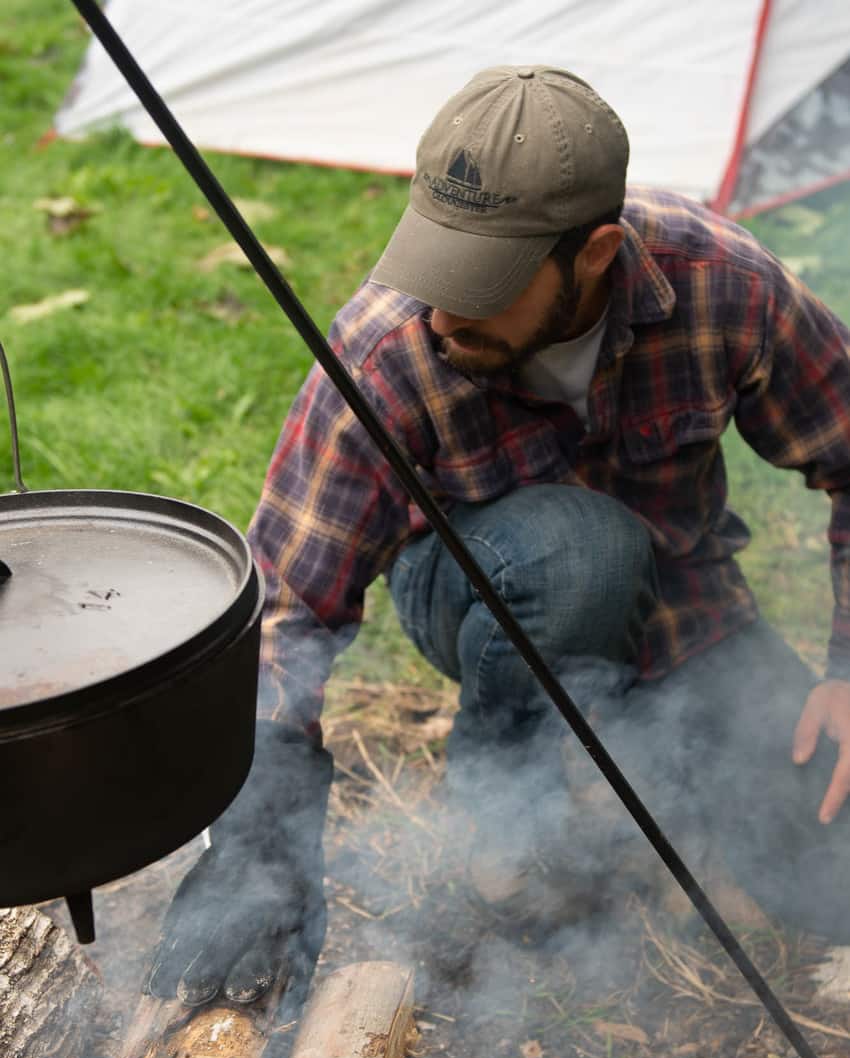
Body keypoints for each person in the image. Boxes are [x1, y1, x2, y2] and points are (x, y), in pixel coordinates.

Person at [146, 65, 850, 1007]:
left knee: (827, 853)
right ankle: (505, 824)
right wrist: (257, 844)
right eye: (437, 267)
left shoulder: (724, 286)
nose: (442, 313)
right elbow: (284, 605)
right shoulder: (390, 349)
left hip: (686, 615)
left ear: (595, 252)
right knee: (583, 551)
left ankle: (646, 756)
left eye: (480, 284)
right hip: (481, 592)